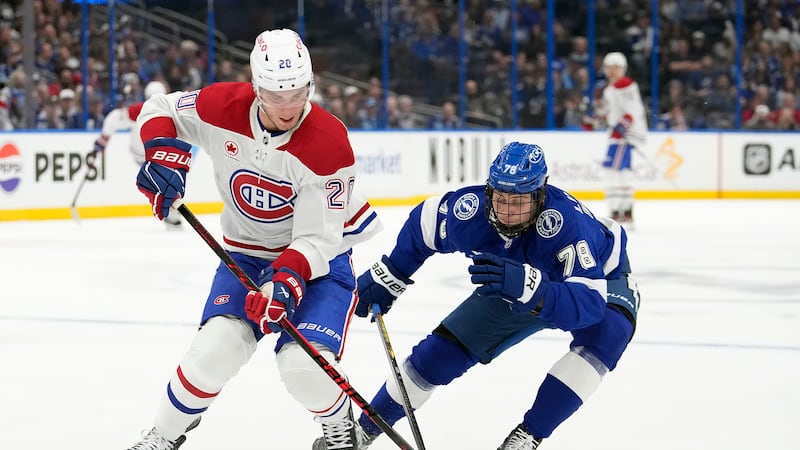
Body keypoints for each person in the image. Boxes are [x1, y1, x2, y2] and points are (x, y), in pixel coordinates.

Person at [125, 28, 382, 450]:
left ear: (310, 84)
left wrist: (284, 282)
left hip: (318, 263)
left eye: (297, 93)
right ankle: (162, 437)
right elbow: (159, 108)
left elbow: (319, 238)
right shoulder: (222, 105)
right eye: (276, 95)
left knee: (302, 365)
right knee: (214, 351)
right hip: (244, 254)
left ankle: (339, 427)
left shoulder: (329, 143)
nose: (288, 107)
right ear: (256, 85)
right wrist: (160, 154)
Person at [342, 142, 639, 449]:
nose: (508, 210)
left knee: (609, 333)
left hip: (601, 278)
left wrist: (531, 288)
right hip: (513, 279)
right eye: (501, 198)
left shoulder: (566, 226)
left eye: (520, 201)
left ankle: (528, 435)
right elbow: (425, 222)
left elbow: (588, 306)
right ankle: (365, 429)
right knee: (438, 356)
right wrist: (392, 274)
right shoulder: (471, 211)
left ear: (540, 195)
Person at [91, 79, 187, 229]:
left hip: (146, 155)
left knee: (163, 182)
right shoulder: (164, 109)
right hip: (154, 155)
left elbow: (114, 118)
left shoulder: (142, 109)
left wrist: (104, 138)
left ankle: (169, 208)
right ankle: (169, 210)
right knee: (165, 182)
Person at [598, 52, 647, 226]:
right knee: (619, 171)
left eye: (616, 67)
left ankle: (620, 212)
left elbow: (632, 111)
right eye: (609, 67)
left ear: (622, 69)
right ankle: (624, 212)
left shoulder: (624, 85)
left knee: (614, 172)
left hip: (622, 137)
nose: (611, 71)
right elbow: (610, 113)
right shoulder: (610, 88)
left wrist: (621, 127)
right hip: (618, 136)